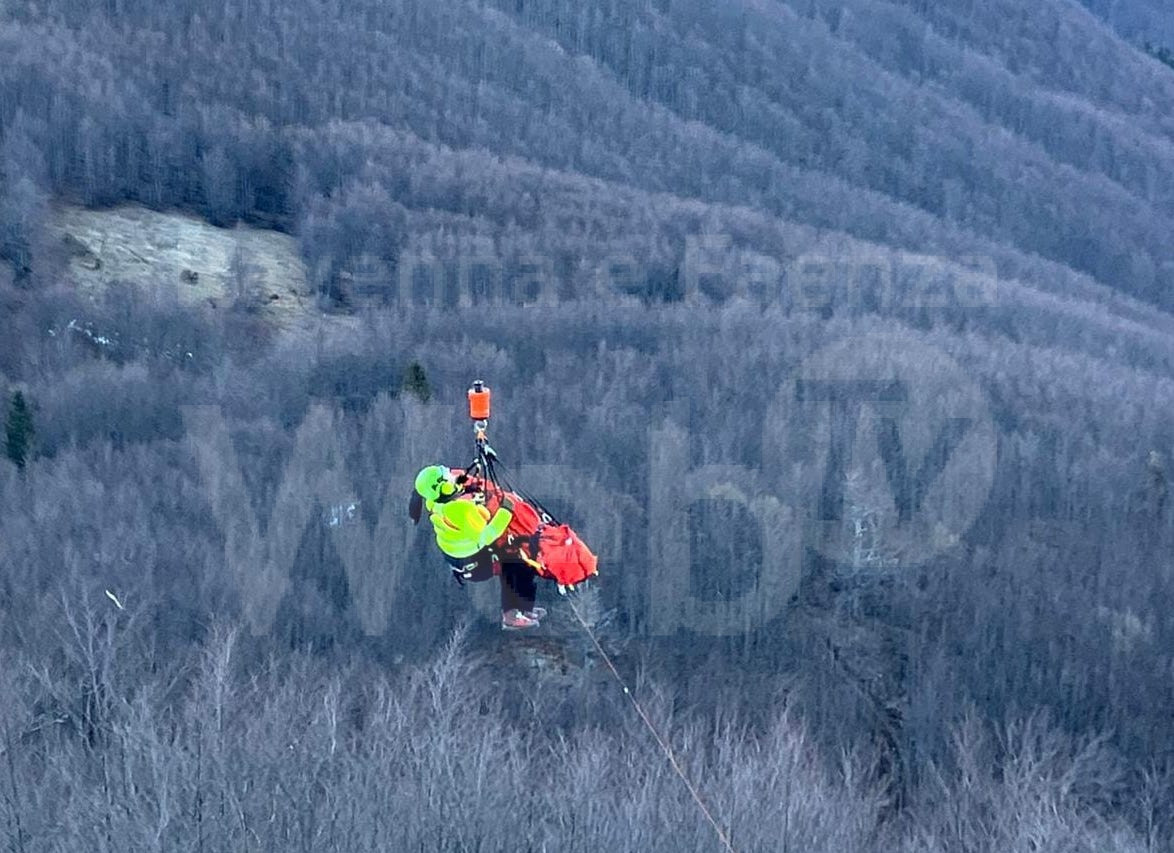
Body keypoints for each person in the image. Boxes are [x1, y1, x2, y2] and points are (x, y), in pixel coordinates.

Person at [412, 464, 546, 630]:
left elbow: (454, 489)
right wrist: (506, 509)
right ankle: (511, 616)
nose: (451, 477)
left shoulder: (434, 502)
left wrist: (469, 485)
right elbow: (488, 535)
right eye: (447, 477)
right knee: (515, 563)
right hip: (475, 562)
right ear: (444, 486)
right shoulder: (461, 510)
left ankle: (524, 609)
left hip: (459, 559)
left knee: (517, 562)